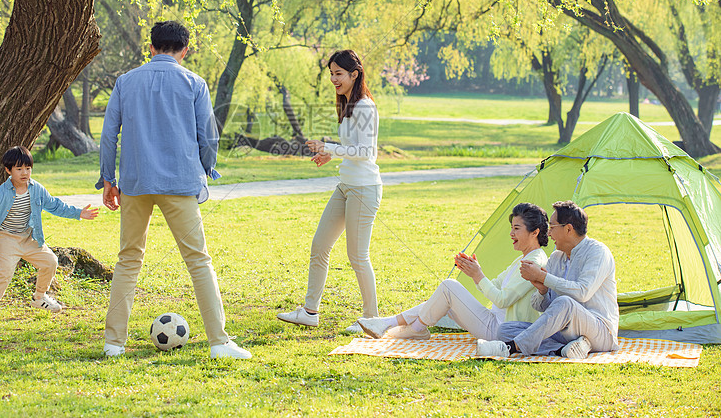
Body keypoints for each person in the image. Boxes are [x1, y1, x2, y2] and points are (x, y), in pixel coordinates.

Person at [98, 20, 251, 360]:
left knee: (128, 260)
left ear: (151, 48)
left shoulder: (125, 82)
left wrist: (107, 179)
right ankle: (219, 342)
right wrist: (207, 168)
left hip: (135, 184)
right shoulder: (194, 82)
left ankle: (113, 342)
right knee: (198, 260)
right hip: (180, 183)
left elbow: (109, 135)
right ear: (185, 51)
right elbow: (208, 135)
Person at [277, 49, 383, 333]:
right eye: (331, 74)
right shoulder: (347, 104)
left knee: (357, 256)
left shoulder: (364, 107)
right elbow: (352, 150)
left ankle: (372, 320)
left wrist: (331, 148)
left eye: (339, 74)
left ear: (354, 74)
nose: (334, 79)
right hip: (346, 186)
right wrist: (330, 155)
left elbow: (367, 151)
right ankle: (310, 311)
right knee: (320, 246)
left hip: (364, 188)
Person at [357, 202, 549, 340]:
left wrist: (478, 275)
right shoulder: (523, 258)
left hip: (502, 330)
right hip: (495, 321)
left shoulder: (534, 262)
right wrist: (474, 272)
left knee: (449, 287)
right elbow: (496, 287)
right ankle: (406, 326)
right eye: (511, 228)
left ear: (535, 232)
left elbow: (502, 299)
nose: (511, 234)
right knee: (446, 299)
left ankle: (400, 326)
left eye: (516, 228)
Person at [0, 146, 98, 324]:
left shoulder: (37, 189)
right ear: (8, 170)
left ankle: (39, 298)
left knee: (50, 261)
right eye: (19, 169)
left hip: (28, 237)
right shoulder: (2, 192)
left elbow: (55, 205)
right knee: (4, 271)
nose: (24, 173)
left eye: (28, 168)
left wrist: (78, 213)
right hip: (5, 238)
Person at [476, 200, 618, 360]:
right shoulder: (557, 257)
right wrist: (542, 291)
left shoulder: (598, 253)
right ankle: (562, 350)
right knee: (506, 329)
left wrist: (543, 277)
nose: (549, 233)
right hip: (565, 333)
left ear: (568, 229)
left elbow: (582, 293)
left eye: (552, 227)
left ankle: (510, 348)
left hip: (600, 332)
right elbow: (542, 307)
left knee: (565, 303)